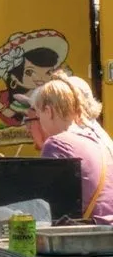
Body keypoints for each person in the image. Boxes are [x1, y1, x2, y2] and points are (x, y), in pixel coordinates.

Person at [26, 77, 113, 221]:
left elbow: (45, 208)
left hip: (83, 237)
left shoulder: (57, 144)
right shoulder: (99, 141)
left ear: (49, 111)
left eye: (39, 115)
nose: (40, 121)